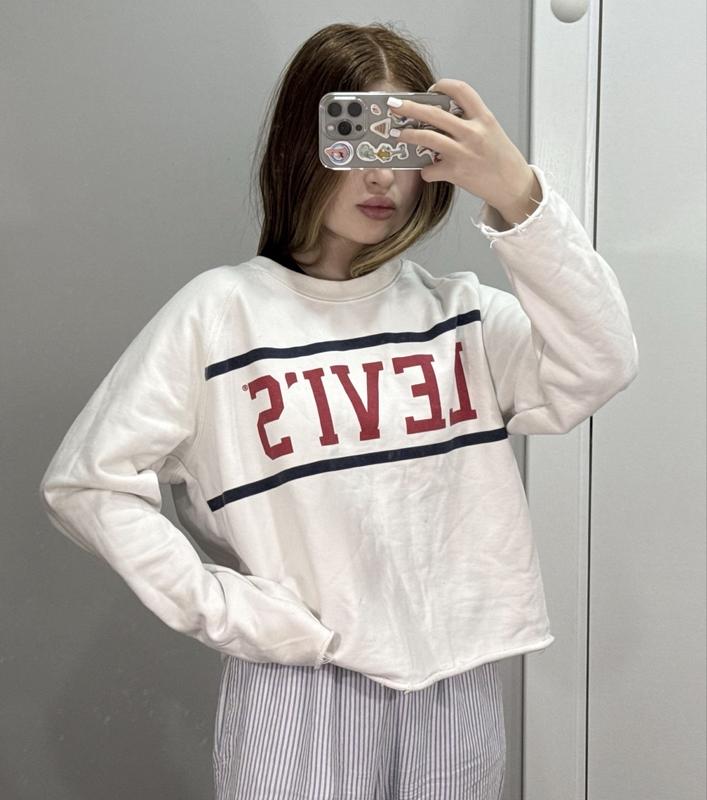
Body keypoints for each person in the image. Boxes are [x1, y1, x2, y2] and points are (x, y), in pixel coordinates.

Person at [39, 21, 639, 800]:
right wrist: (228, 611)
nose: (381, 176)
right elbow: (87, 483)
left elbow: (601, 360)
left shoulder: (459, 317)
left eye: (401, 144)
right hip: (302, 679)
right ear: (303, 142)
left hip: (455, 676)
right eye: (354, 138)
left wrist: (517, 195)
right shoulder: (219, 315)